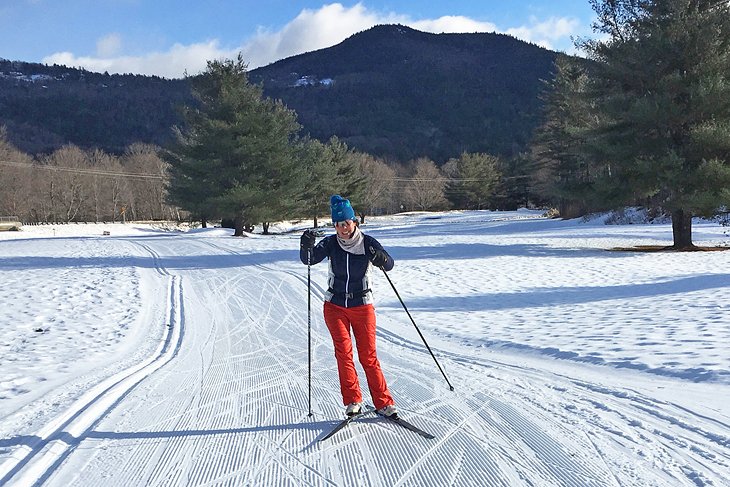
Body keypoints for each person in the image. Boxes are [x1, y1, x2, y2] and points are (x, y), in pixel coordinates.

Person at [300, 195, 398, 418]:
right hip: (334, 307)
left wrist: (382, 258)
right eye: (338, 224)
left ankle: (383, 402)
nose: (343, 229)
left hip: (362, 306)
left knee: (368, 356)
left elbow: (389, 264)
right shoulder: (331, 243)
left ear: (354, 221)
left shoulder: (367, 243)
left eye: (346, 223)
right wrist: (305, 244)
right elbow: (309, 259)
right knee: (343, 354)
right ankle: (353, 400)